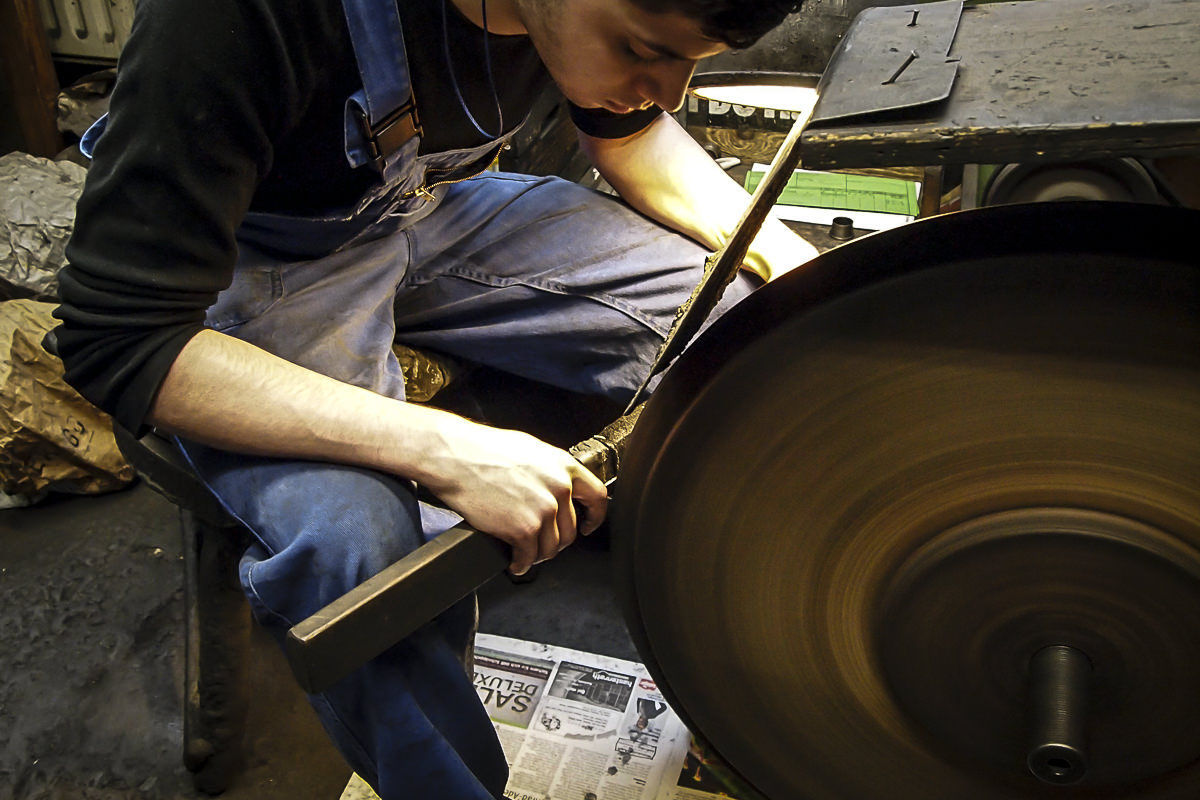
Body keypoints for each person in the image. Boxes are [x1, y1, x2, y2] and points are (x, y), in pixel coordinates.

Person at [52, 0, 814, 796]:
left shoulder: (579, 18)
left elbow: (632, 136)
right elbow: (120, 340)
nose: (669, 91)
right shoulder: (239, 17)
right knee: (368, 563)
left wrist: (816, 280)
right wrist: (445, 451)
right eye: (639, 50)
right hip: (253, 266)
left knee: (753, 337)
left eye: (689, 61)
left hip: (421, 210)